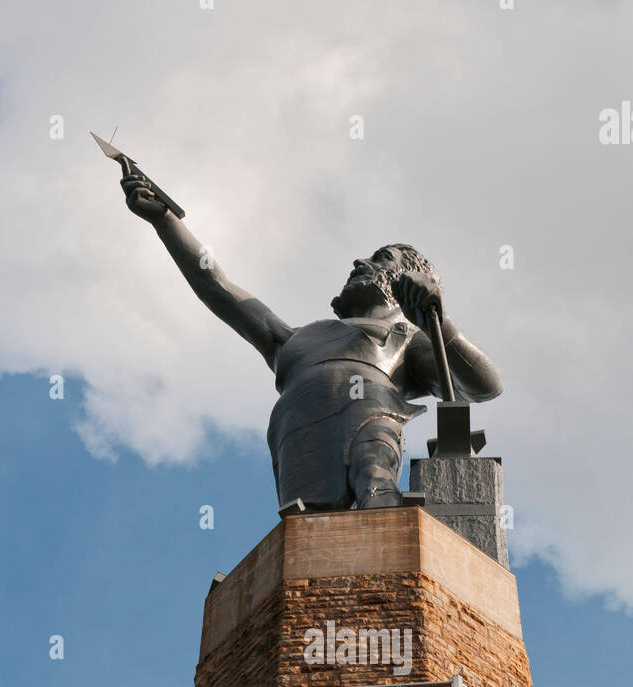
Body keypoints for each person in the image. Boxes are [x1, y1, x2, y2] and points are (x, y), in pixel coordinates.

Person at [121, 173, 502, 509]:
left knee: (375, 484)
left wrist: (441, 321)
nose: (359, 262)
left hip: (370, 413)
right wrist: (166, 220)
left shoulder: (406, 336)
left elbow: (484, 387)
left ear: (406, 279)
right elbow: (214, 285)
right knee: (303, 524)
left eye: (381, 258)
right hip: (297, 429)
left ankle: (386, 519)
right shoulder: (293, 339)